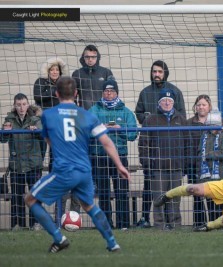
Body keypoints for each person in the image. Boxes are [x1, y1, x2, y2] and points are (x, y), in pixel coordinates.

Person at [24, 76, 130, 253]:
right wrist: (120, 165)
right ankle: (112, 243)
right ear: (76, 93)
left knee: (30, 199)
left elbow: (49, 140)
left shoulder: (48, 115)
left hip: (64, 171)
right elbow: (107, 142)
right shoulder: (88, 116)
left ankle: (59, 238)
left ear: (56, 93)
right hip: (84, 171)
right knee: (89, 206)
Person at [135, 60, 186, 228]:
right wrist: (148, 163)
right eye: (154, 71)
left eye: (160, 72)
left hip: (176, 165)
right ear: (159, 102)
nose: (156, 74)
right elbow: (143, 143)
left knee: (174, 198)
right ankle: (158, 225)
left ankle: (175, 225)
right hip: (156, 166)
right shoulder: (150, 117)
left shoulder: (180, 118)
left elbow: (187, 142)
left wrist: (185, 163)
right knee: (157, 197)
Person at [33, 57, 81, 216]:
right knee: (40, 159)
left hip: (59, 129)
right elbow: (38, 97)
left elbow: (70, 99)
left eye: (57, 70)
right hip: (44, 124)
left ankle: (62, 213)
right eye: (52, 70)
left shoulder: (66, 84)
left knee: (58, 161)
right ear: (48, 71)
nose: (54, 72)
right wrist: (55, 94)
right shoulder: (40, 82)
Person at [89, 79, 138, 230]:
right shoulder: (94, 110)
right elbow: (86, 130)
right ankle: (106, 224)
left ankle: (123, 224)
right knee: (103, 193)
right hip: (99, 157)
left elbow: (133, 134)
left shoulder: (126, 112)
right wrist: (99, 129)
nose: (109, 94)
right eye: (106, 91)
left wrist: (120, 129)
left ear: (117, 93)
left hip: (120, 156)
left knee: (121, 191)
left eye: (112, 91)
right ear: (102, 93)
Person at [1, 93, 43, 231]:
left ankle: (35, 224)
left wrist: (36, 130)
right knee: (16, 197)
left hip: (33, 165)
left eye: (24, 104)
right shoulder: (9, 119)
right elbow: (3, 139)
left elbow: (42, 134)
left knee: (34, 195)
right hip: (16, 165)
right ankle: (17, 224)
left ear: (28, 104)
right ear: (14, 106)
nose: (21, 107)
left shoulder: (35, 118)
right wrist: (5, 131)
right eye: (18, 105)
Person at [197, 109, 223, 222]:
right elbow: (199, 153)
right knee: (209, 203)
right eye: (210, 124)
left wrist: (211, 155)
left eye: (215, 125)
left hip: (221, 176)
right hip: (206, 176)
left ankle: (221, 224)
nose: (213, 127)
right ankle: (212, 224)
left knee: (220, 203)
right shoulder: (204, 136)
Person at [186, 94, 213, 227]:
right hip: (193, 164)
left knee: (213, 194)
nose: (201, 107)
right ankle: (199, 223)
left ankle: (215, 222)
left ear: (209, 107)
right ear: (195, 107)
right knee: (196, 194)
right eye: (199, 105)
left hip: (211, 165)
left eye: (204, 104)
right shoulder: (188, 123)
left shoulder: (216, 122)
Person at [72, 44, 114, 110]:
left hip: (102, 113)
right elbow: (72, 96)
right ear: (83, 57)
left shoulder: (106, 72)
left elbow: (113, 93)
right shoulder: (77, 74)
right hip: (84, 113)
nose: (90, 59)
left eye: (93, 57)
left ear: (97, 57)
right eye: (87, 57)